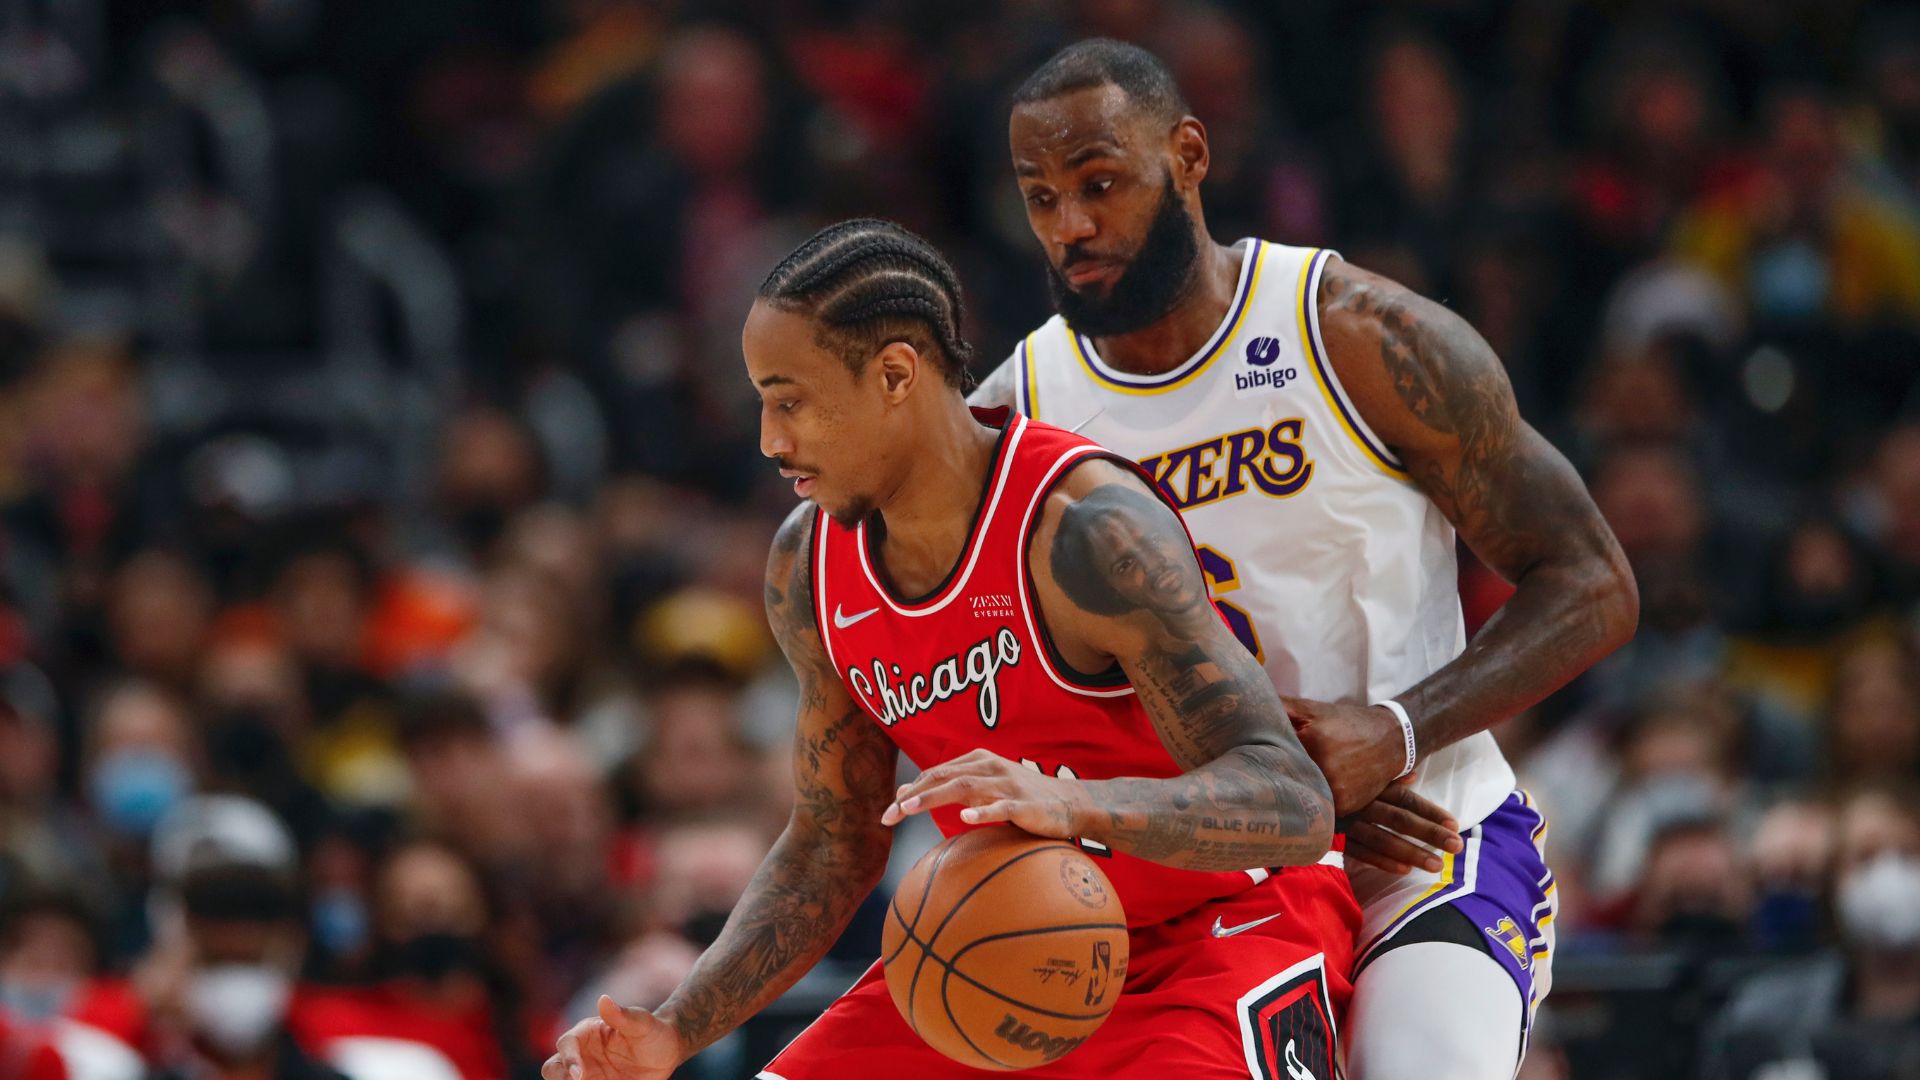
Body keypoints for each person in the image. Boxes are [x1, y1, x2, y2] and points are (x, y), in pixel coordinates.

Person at [544, 219, 1456, 1079]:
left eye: (792, 403)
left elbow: (1292, 799)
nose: (770, 441)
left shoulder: (1086, 532)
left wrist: (1074, 805)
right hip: (993, 947)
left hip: (1218, 929)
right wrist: (675, 1028)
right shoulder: (807, 565)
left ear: (896, 374)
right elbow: (832, 843)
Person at [968, 40, 1639, 1080]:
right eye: (1040, 197)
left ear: (1189, 155)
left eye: (1099, 183)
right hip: (1207, 884)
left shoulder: (1355, 335)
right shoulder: (1018, 412)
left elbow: (1594, 583)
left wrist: (1399, 729)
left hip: (1419, 853)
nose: (1072, 227)